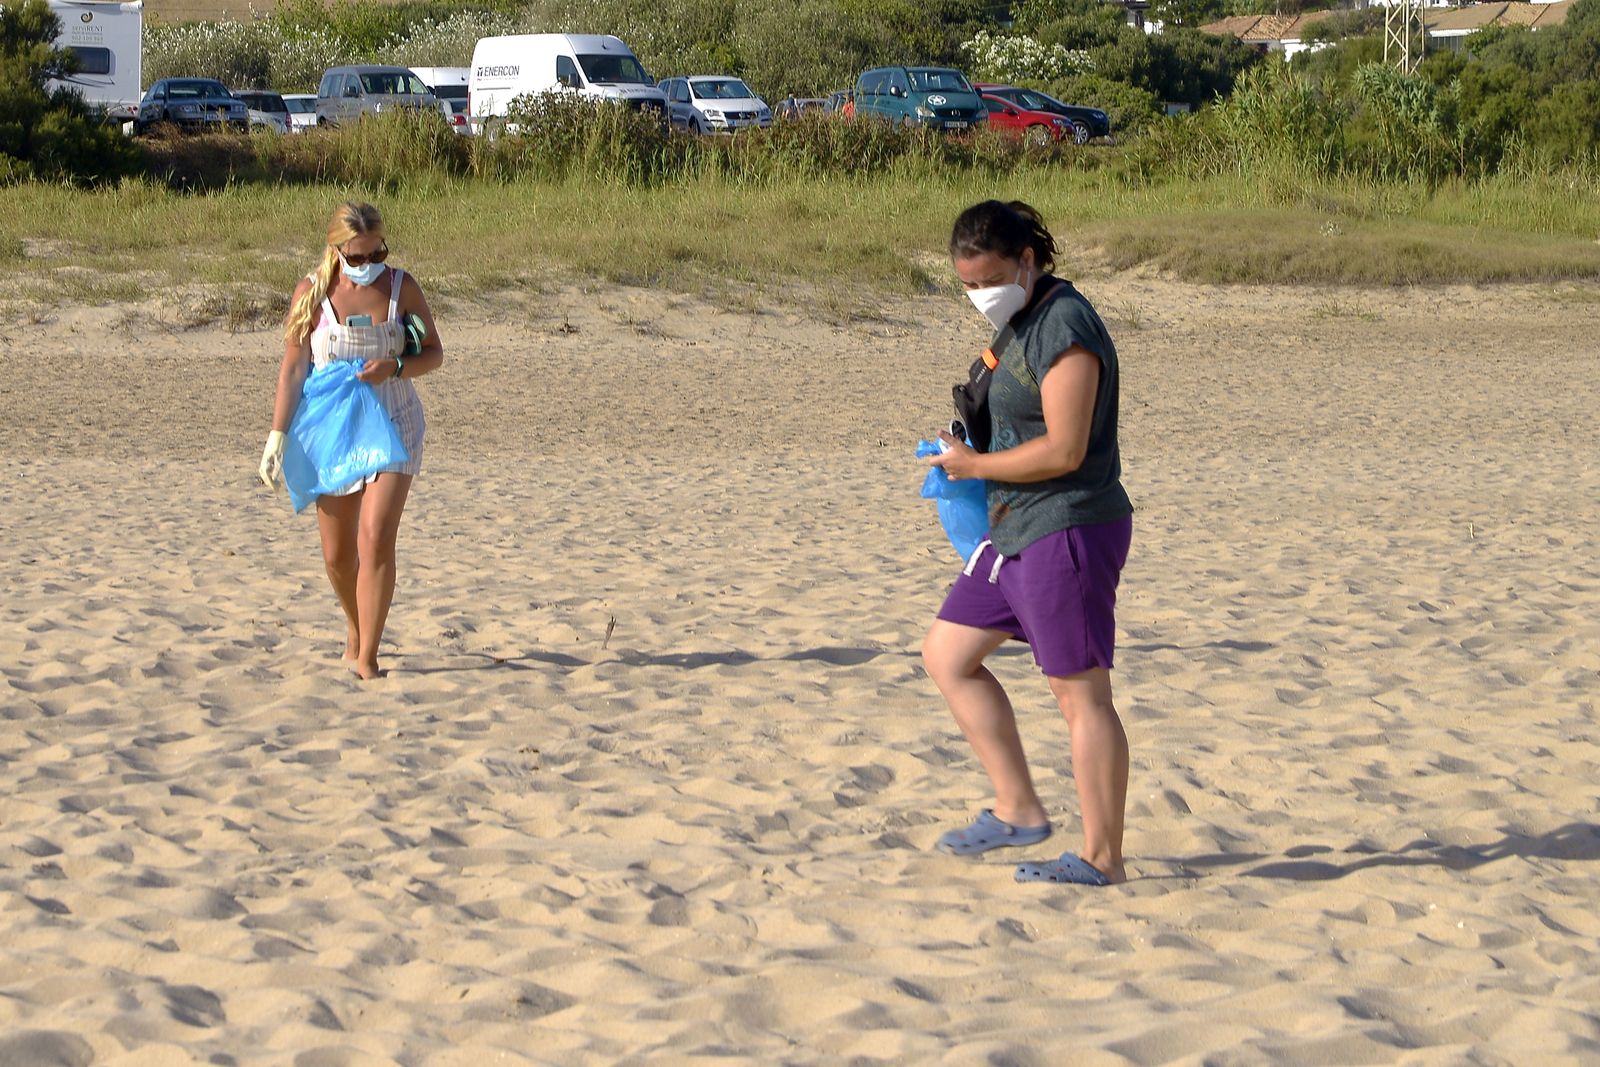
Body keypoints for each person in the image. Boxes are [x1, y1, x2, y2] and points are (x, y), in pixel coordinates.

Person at [923, 200, 1134, 886]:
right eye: (967, 284)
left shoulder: (1065, 323)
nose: (980, 294)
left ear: (1029, 261)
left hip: (1067, 524)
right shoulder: (1017, 322)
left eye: (989, 279)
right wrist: (966, 453)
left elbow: (1067, 448)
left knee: (1081, 697)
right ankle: (1017, 806)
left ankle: (1104, 858)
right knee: (948, 653)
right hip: (1013, 526)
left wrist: (974, 467)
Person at [258, 201, 443, 680]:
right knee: (338, 557)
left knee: (376, 537)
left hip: (393, 423)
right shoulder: (311, 294)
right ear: (336, 251)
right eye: (356, 258)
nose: (367, 266)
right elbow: (293, 369)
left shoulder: (403, 288)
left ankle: (367, 658)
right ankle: (356, 624)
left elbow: (434, 352)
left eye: (375, 254)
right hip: (333, 429)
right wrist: (277, 436)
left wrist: (396, 366)